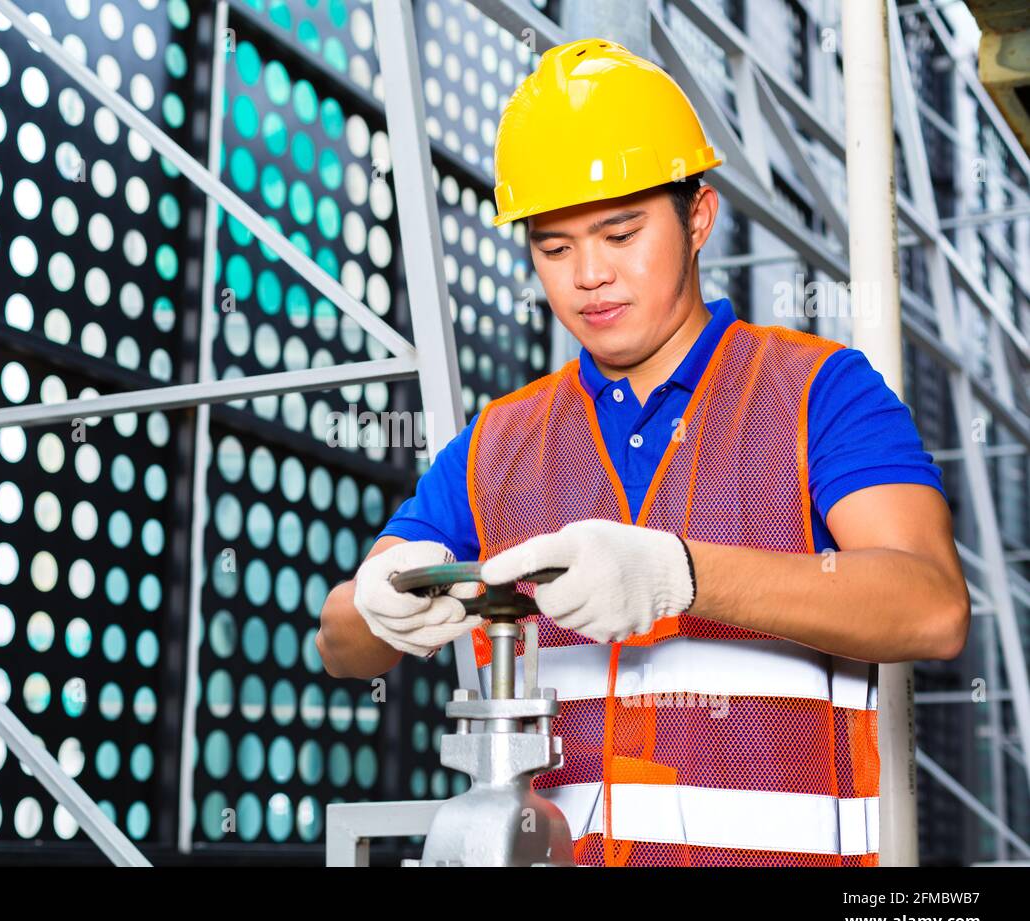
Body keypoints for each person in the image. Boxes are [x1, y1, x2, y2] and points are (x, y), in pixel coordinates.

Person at [316, 38, 969, 866]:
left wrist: (680, 576)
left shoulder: (818, 393)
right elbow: (340, 645)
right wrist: (377, 604)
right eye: (553, 248)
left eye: (620, 233)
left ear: (698, 217)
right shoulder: (498, 444)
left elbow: (933, 607)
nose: (588, 275)